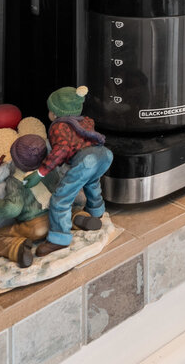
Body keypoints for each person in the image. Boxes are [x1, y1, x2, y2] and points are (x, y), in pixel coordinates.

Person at [28, 86, 112, 256]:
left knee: (61, 198)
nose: (49, 113)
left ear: (56, 113)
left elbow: (61, 150)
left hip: (87, 159)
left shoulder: (58, 127)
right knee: (91, 182)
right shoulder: (85, 121)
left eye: (50, 109)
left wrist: (40, 173)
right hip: (104, 154)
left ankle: (59, 239)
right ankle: (96, 211)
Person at [0, 134, 53, 268]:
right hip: (57, 218)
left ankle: (18, 249)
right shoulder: (48, 171)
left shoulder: (15, 181)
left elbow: (13, 209)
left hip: (35, 226)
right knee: (70, 212)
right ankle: (78, 217)